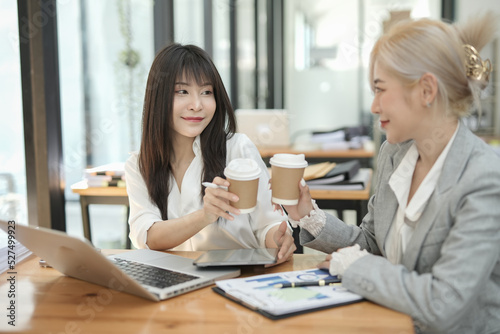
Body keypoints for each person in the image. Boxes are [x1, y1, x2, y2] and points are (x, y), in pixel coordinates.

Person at [282, 14, 500, 334]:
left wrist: (353, 267)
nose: (373, 106)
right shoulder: (394, 155)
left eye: (380, 89)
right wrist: (309, 216)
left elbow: (445, 301)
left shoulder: (484, 177)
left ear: (426, 90)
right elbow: (373, 245)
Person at [125, 43, 295, 263]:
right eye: (182, 91)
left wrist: (279, 239)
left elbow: (268, 225)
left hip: (236, 280)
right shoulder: (139, 164)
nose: (197, 105)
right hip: (174, 280)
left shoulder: (237, 149)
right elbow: (146, 236)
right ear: (158, 98)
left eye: (206, 92)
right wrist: (204, 216)